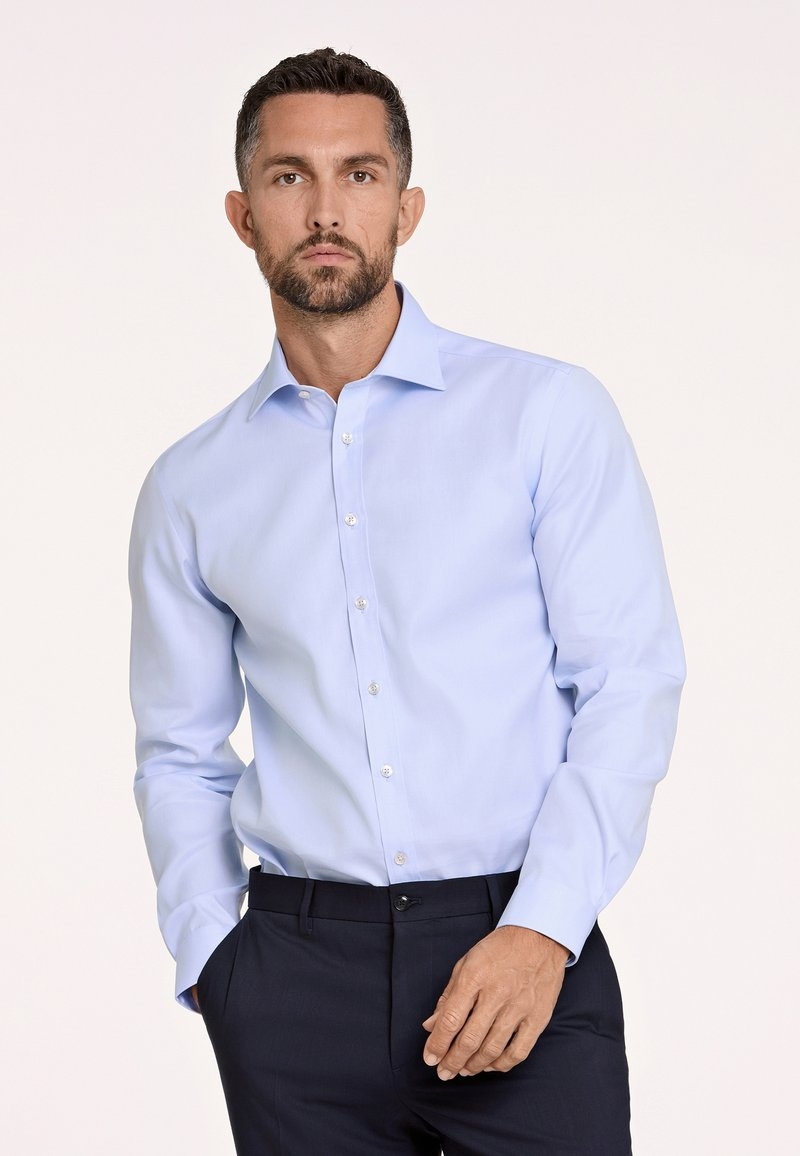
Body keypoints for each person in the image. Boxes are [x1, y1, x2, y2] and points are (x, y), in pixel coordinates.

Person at [129, 47, 685, 1156]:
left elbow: (627, 684)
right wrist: (215, 962)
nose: (325, 210)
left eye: (360, 174)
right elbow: (178, 751)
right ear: (242, 215)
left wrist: (543, 926)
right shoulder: (192, 484)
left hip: (517, 951)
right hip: (294, 975)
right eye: (290, 176)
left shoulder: (542, 414)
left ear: (407, 207)